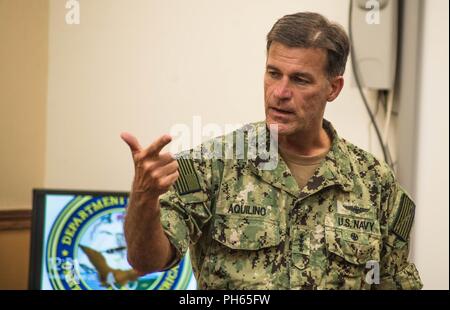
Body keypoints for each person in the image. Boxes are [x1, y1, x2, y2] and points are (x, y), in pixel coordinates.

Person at [120, 12, 423, 289]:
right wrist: (144, 198)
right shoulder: (212, 164)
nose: (280, 93)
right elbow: (146, 261)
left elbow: (392, 280)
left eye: (300, 80)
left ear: (334, 88)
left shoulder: (375, 182)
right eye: (273, 74)